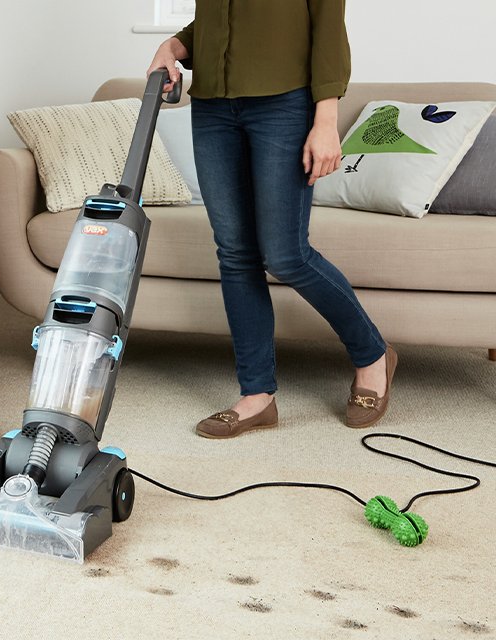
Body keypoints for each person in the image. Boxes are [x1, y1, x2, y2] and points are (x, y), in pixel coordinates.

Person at [146, 0, 397, 438]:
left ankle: (373, 355)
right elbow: (215, 19)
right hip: (213, 109)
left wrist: (326, 122)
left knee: (286, 255)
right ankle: (257, 395)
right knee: (235, 252)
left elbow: (328, 31)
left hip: (284, 107)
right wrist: (172, 45)